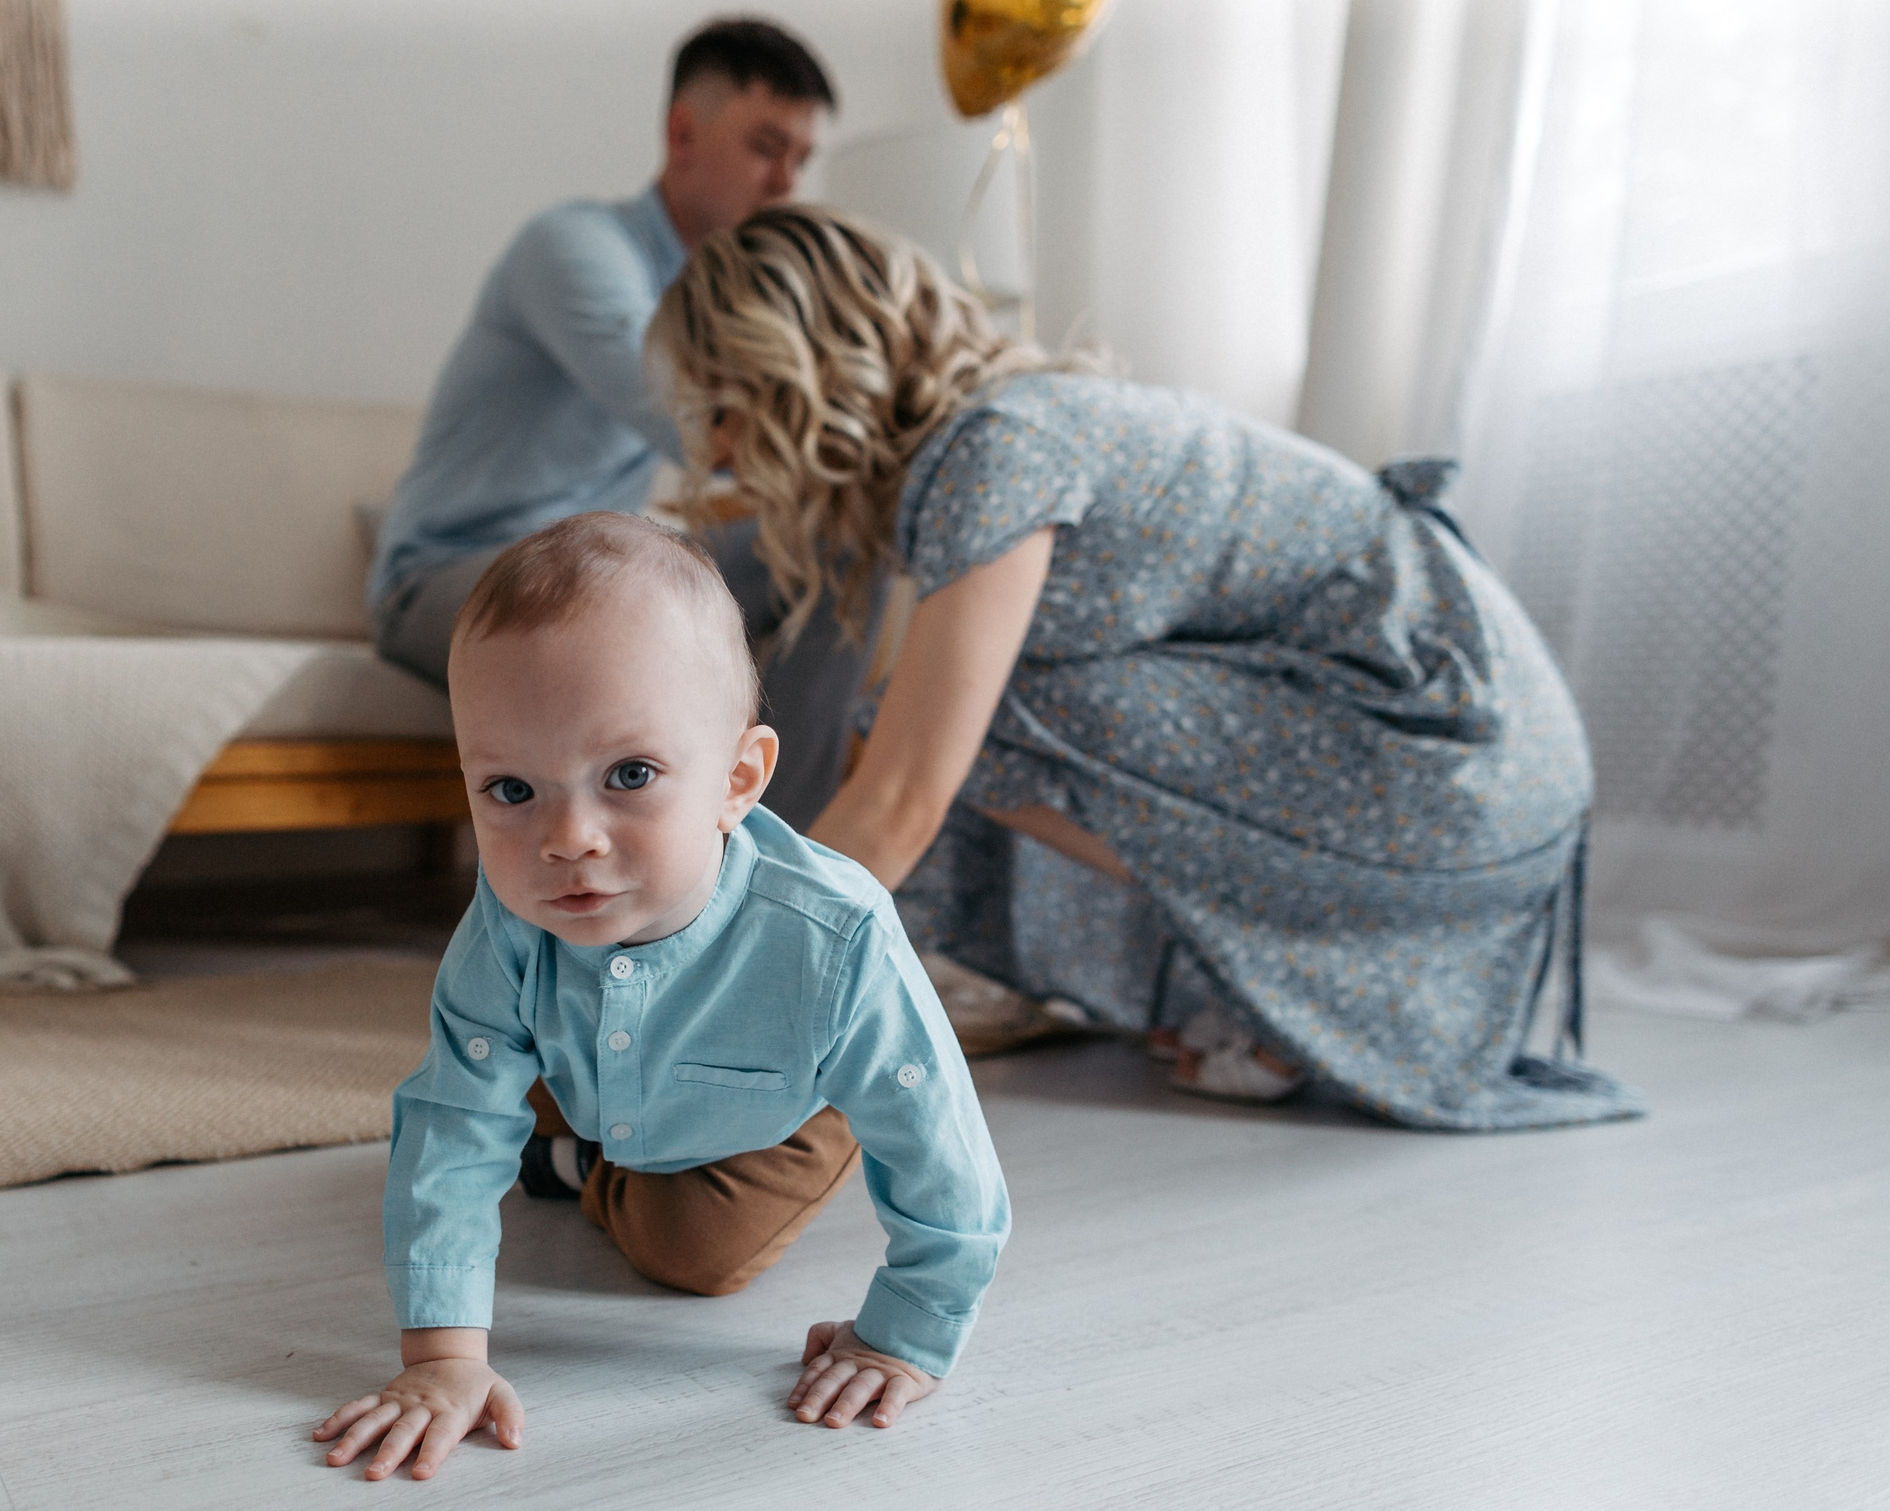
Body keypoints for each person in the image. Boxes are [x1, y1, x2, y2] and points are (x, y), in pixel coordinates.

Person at [647, 206, 1647, 1132]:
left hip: (1454, 758)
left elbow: (906, 795)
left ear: (796, 374)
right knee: (922, 712)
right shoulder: (1010, 435)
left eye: (723, 408)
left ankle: (1240, 989)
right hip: (1474, 771)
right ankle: (1236, 988)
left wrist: (719, 986)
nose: (722, 452)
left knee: (964, 720)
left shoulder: (999, 449)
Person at [314, 512, 1010, 1481]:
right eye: (510, 790)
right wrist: (442, 1361)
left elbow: (941, 1146)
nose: (568, 840)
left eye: (629, 776)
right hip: (582, 1060)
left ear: (737, 781)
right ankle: (568, 1148)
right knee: (480, 1105)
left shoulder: (836, 939)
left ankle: (581, 1172)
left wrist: (907, 1336)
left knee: (692, 1251)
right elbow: (452, 1121)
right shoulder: (511, 922)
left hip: (770, 1106)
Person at [368, 18, 866, 828]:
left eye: (802, 159)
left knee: (839, 541)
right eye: (766, 146)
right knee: (621, 586)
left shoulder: (716, 298)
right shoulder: (573, 248)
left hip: (599, 559)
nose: (786, 182)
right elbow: (700, 429)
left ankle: (799, 860)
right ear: (681, 134)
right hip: (442, 577)